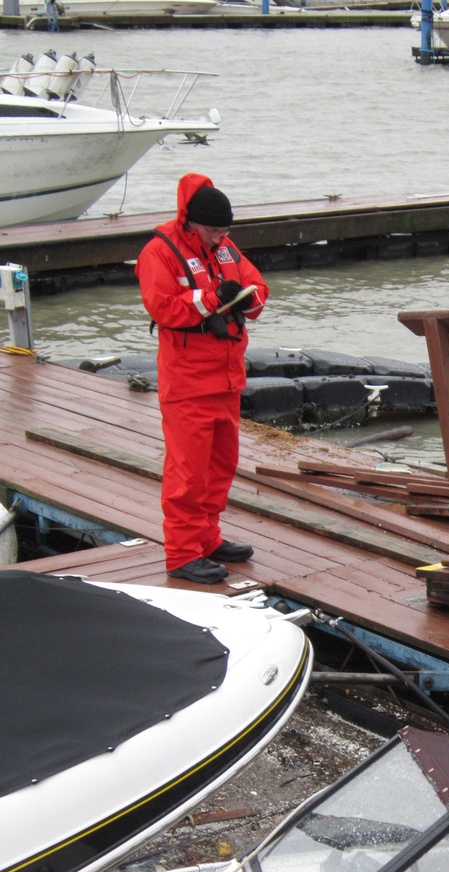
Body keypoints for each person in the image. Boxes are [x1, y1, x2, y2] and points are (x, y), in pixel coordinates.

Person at [136, 173, 269, 584]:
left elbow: (258, 286)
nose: (219, 237)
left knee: (220, 466)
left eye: (225, 230)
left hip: (226, 378)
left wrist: (248, 300)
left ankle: (208, 540)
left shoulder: (225, 248)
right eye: (214, 229)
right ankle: (181, 554)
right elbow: (163, 308)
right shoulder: (159, 254)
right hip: (188, 382)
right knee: (188, 472)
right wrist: (214, 299)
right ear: (191, 221)